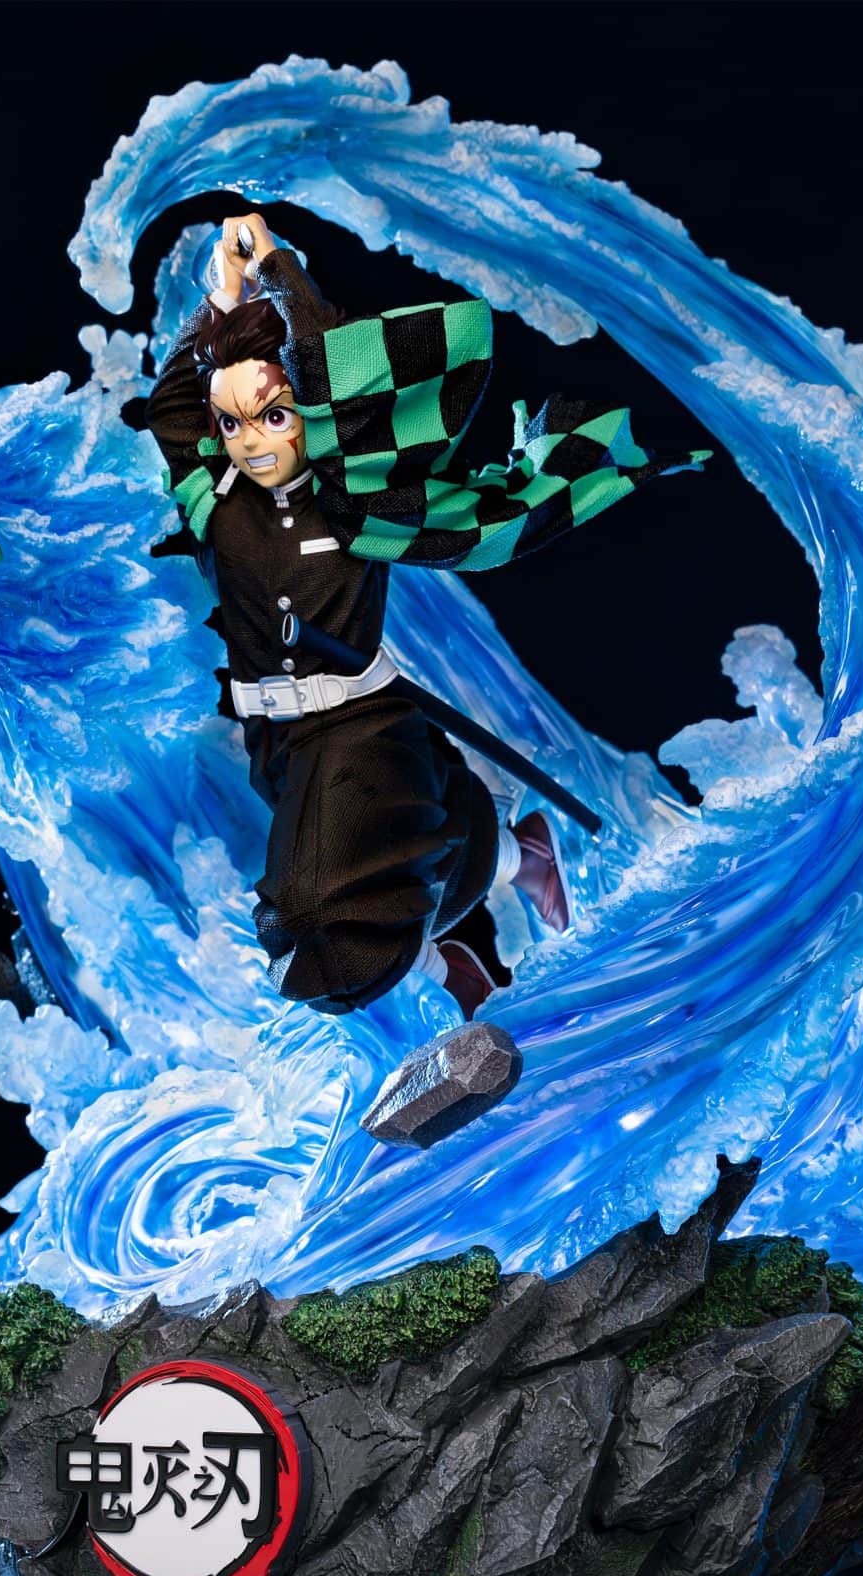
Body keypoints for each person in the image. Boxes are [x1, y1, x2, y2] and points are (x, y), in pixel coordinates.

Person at [144, 213, 704, 1020]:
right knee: (412, 852)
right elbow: (172, 410)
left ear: (308, 413)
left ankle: (446, 969)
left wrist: (279, 273)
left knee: (316, 915)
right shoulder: (216, 504)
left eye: (273, 415)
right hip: (278, 741)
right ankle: (513, 871)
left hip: (360, 730)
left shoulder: (351, 494)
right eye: (231, 422)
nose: (252, 442)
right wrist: (221, 299)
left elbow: (338, 381)